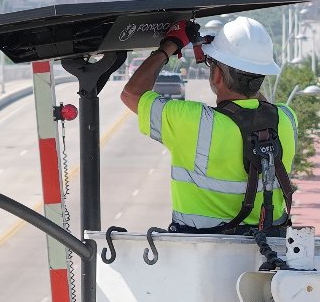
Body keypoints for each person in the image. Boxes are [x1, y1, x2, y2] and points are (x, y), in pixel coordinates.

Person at [120, 16, 297, 234]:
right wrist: (222, 62)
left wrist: (169, 46)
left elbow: (131, 94)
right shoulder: (287, 119)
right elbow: (259, 105)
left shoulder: (194, 122)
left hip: (199, 255)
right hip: (267, 251)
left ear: (217, 75)